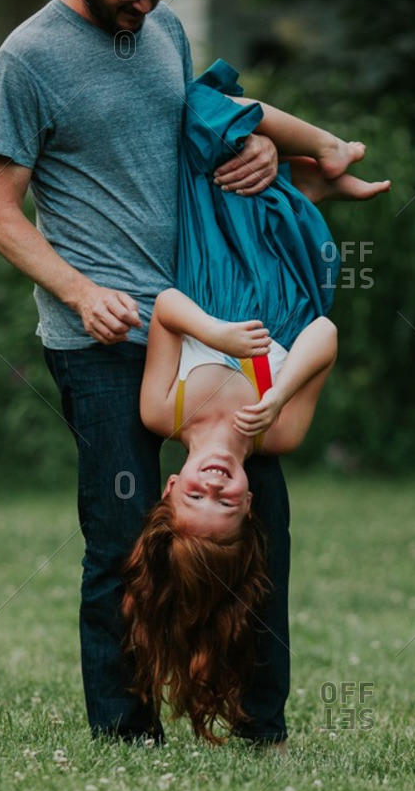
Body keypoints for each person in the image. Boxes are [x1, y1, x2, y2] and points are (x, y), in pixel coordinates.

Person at [0, 0, 369, 747]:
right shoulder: (27, 60)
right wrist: (80, 290)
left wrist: (263, 148)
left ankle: (261, 726)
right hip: (101, 337)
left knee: (261, 524)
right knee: (121, 534)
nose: (144, 4)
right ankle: (127, 732)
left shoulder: (162, 33)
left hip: (216, 314)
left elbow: (196, 133)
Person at [121, 61, 390, 743]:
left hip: (209, 258)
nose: (215, 489)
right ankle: (317, 178)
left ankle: (323, 157)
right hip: (292, 269)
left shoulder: (166, 413)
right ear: (248, 505)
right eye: (226, 506)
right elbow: (326, 334)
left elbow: (165, 309)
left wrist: (211, 332)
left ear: (172, 486)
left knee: (205, 110)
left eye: (195, 500)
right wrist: (278, 396)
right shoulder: (278, 435)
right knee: (247, 164)